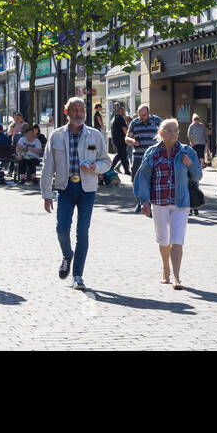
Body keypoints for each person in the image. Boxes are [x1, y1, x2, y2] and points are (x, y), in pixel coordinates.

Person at [40, 96, 111, 291]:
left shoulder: (95, 135)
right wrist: (46, 193)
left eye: (82, 110)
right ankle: (67, 254)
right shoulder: (56, 136)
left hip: (87, 189)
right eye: (75, 110)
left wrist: (95, 167)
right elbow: (47, 167)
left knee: (82, 232)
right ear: (67, 112)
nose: (79, 113)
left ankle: (78, 275)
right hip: (64, 188)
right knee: (61, 229)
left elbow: (106, 161)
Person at [133, 118, 200, 289]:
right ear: (161, 133)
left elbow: (198, 175)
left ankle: (177, 277)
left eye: (176, 130)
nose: (174, 134)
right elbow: (144, 177)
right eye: (170, 131)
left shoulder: (187, 152)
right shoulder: (153, 152)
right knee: (164, 239)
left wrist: (190, 164)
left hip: (181, 201)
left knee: (177, 238)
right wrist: (144, 200)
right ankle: (165, 270)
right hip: (159, 201)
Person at [126, 105, 161, 211]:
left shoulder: (157, 120)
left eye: (144, 115)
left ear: (149, 113)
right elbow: (127, 138)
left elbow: (165, 133)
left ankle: (150, 202)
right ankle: (140, 202)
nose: (142, 117)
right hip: (138, 156)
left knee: (153, 180)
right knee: (135, 180)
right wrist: (132, 141)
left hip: (153, 156)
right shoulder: (134, 122)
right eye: (140, 115)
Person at [110, 106, 130, 175]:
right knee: (121, 154)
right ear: (120, 111)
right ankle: (111, 167)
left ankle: (126, 170)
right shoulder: (120, 118)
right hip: (121, 140)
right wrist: (128, 137)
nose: (124, 112)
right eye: (123, 110)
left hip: (115, 140)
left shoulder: (113, 118)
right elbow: (124, 129)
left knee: (122, 155)